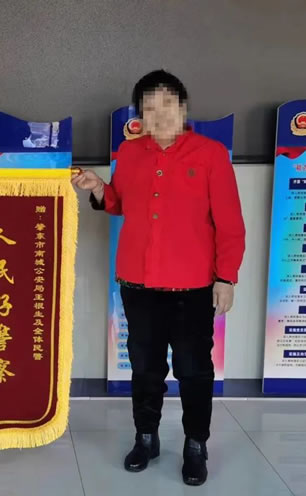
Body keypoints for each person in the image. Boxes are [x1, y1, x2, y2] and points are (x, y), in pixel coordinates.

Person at [72, 69, 245, 486]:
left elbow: (230, 223)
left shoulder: (210, 154)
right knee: (145, 367)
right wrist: (98, 187)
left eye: (167, 104)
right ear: (140, 116)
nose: (159, 114)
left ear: (183, 108)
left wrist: (226, 278)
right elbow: (119, 203)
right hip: (138, 284)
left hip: (193, 286)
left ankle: (195, 444)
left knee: (193, 369)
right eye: (149, 108)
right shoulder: (130, 153)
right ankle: (145, 437)